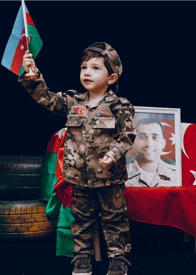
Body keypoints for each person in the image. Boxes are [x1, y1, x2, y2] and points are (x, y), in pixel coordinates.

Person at [19, 42, 136, 275]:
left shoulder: (120, 106)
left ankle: (118, 257)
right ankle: (82, 257)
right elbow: (47, 99)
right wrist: (32, 72)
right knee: (81, 219)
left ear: (111, 77)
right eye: (84, 68)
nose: (87, 73)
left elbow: (127, 137)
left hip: (109, 177)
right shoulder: (73, 101)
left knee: (114, 218)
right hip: (79, 177)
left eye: (95, 68)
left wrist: (112, 156)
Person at [126, 119, 177, 187]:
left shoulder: (177, 174)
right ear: (134, 142)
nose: (149, 144)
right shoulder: (120, 174)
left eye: (155, 137)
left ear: (163, 143)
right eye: (142, 137)